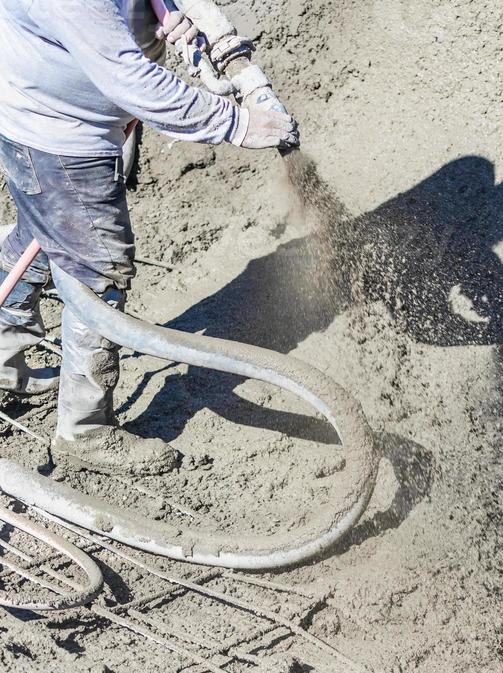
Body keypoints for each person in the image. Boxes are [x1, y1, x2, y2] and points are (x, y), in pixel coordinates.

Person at [0, 0, 299, 475]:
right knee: (98, 268)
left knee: (41, 232)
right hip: (59, 141)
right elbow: (131, 79)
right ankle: (86, 432)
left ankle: (2, 358)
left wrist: (170, 20)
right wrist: (237, 122)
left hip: (38, 115)